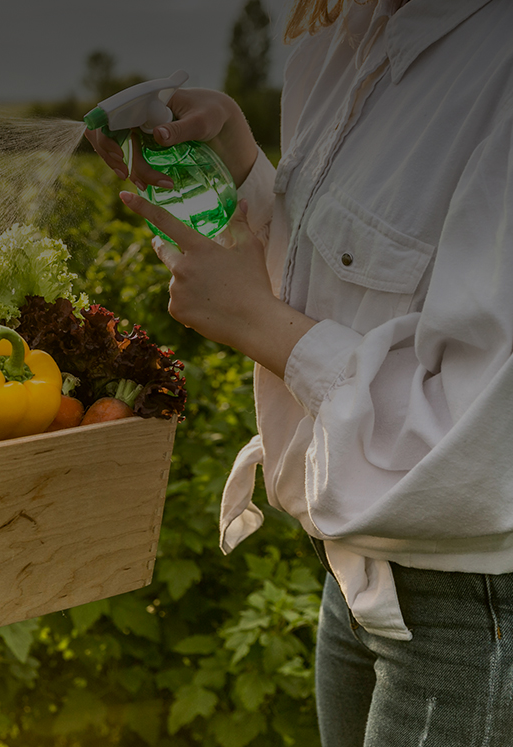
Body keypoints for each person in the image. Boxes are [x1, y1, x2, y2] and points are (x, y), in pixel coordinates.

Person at [87, 0, 513, 743]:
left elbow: (486, 439)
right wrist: (245, 173)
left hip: (469, 609)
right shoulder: (337, 45)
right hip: (353, 574)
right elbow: (361, 281)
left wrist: (258, 321)